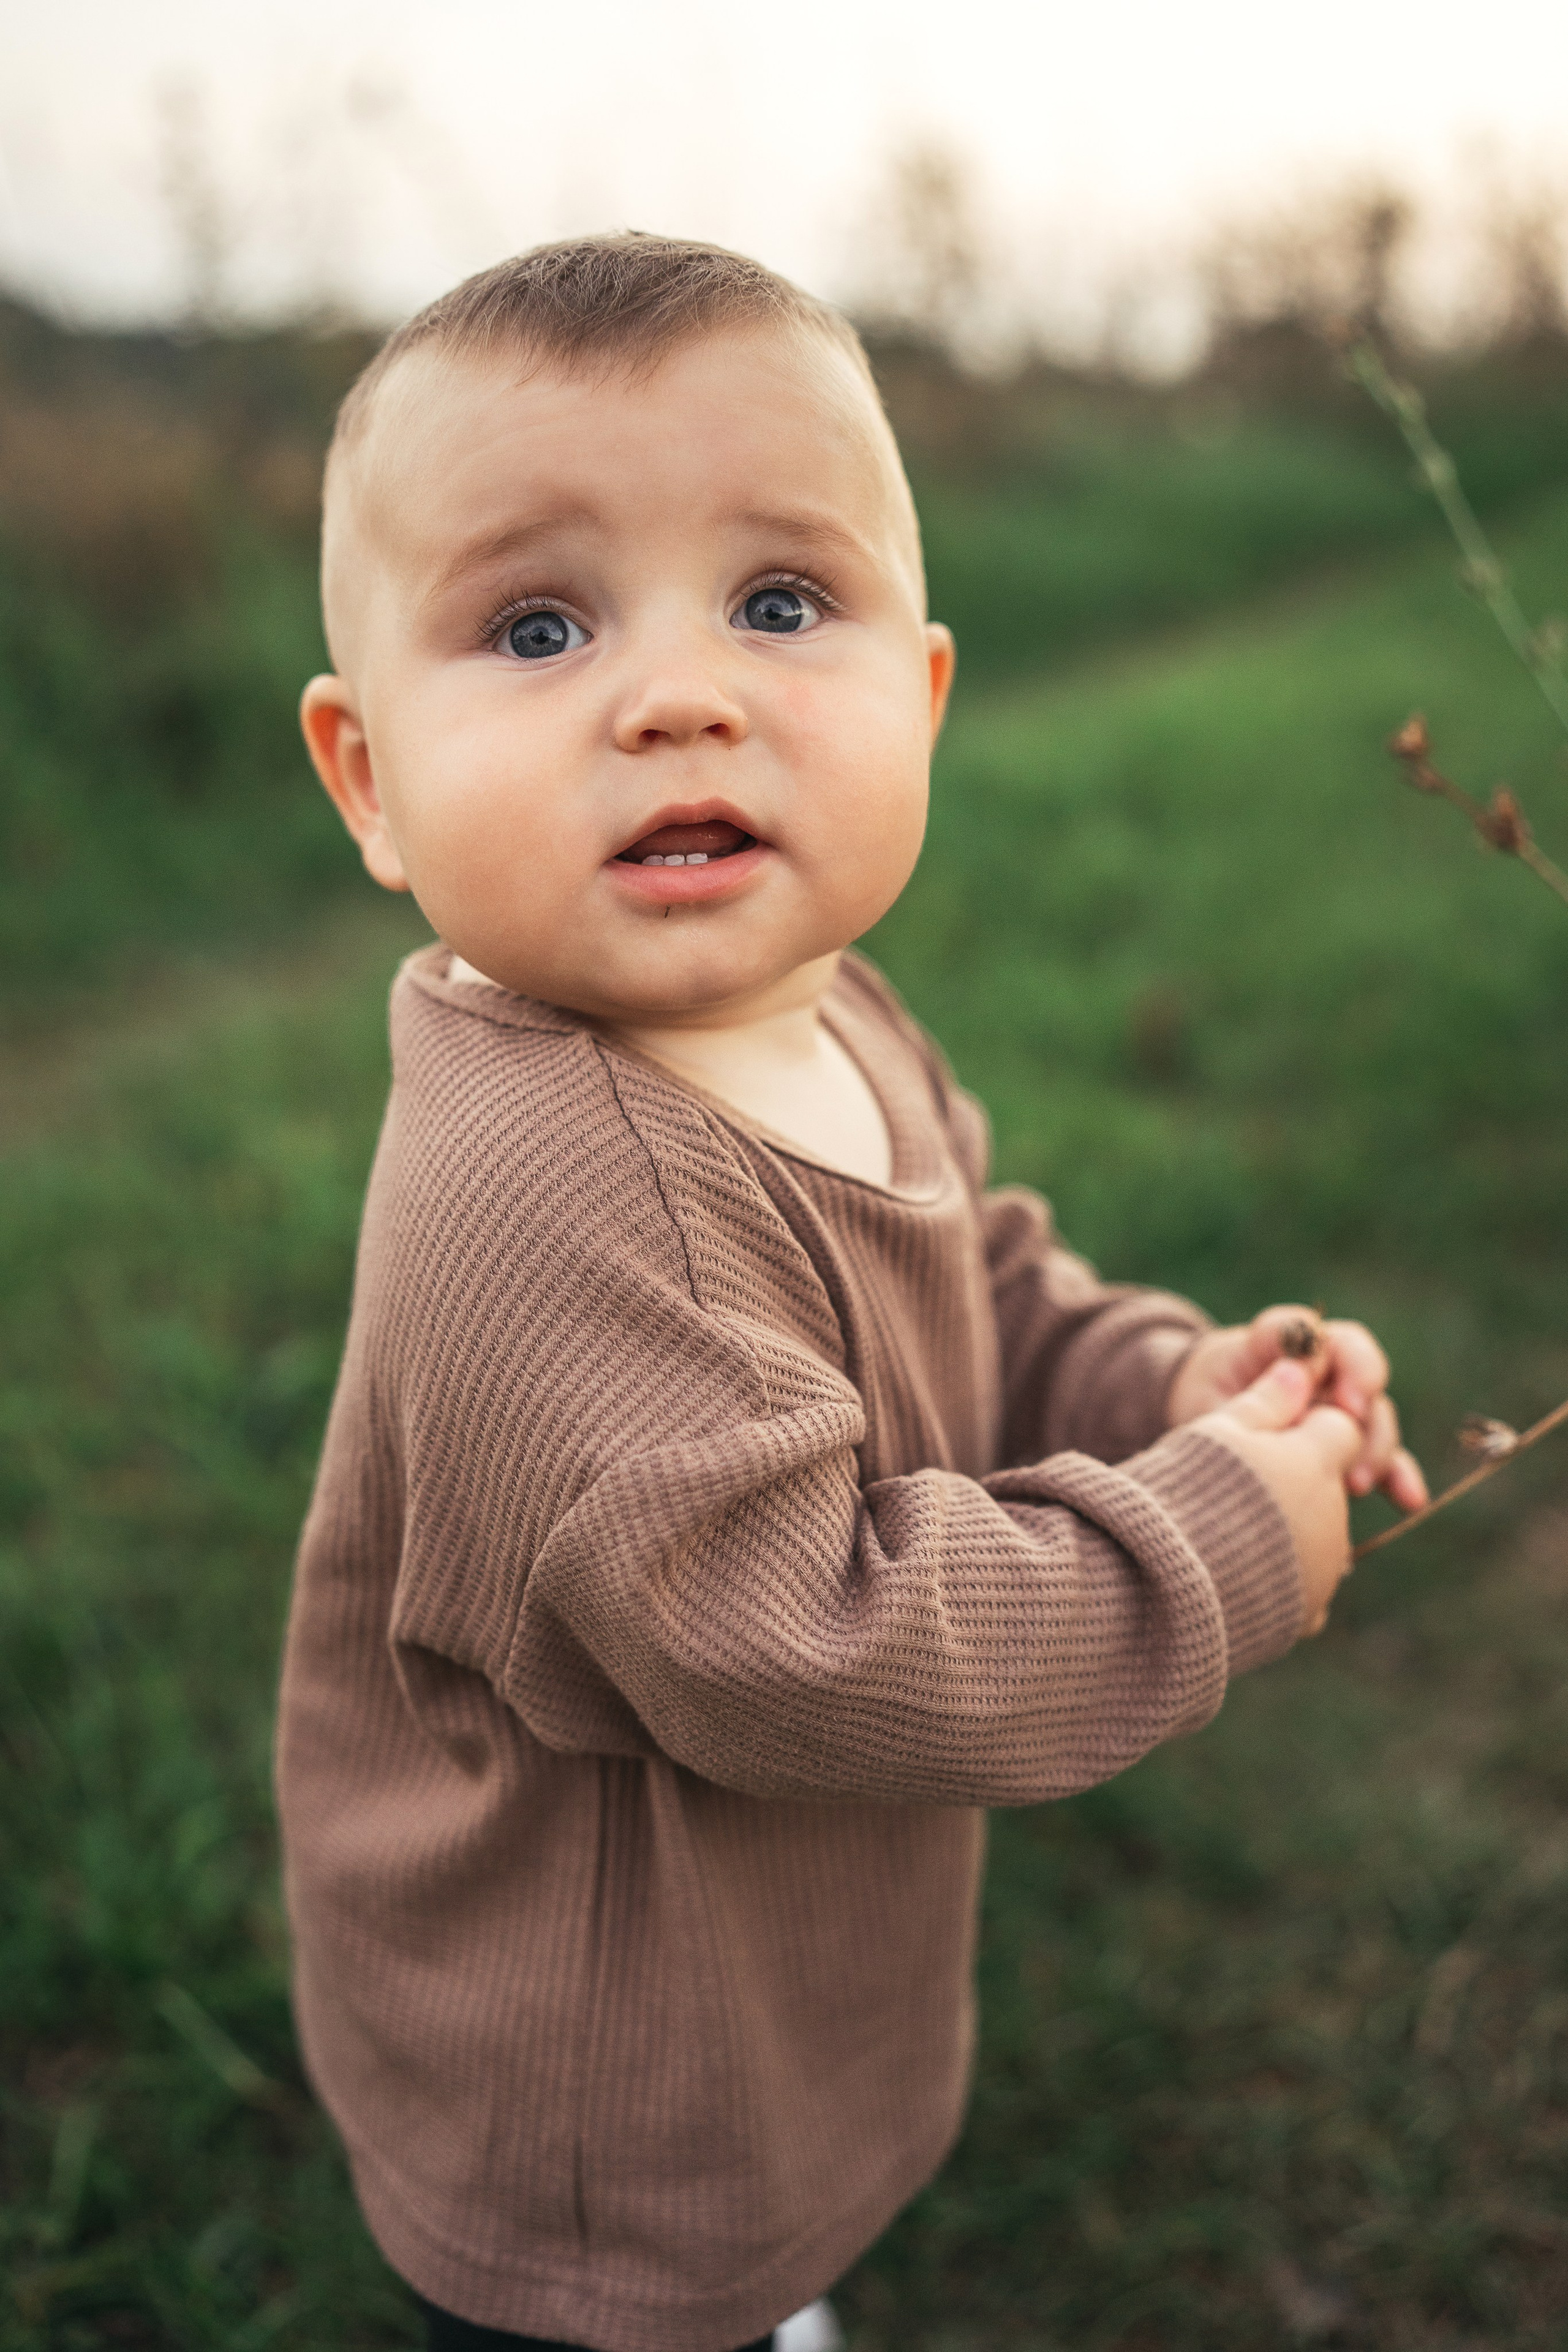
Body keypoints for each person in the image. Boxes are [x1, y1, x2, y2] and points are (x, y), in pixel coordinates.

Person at [277, 233, 1427, 2352]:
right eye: (539, 625)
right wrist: (1205, 1549)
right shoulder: (538, 1190)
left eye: (782, 602)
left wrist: (1177, 1387)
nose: (680, 690)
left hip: (754, 1980)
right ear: (370, 782)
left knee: (750, 2236)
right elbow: (799, 1639)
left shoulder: (829, 1016)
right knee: (644, 2297)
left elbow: (974, 1283)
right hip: (596, 2080)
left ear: (919, 697)